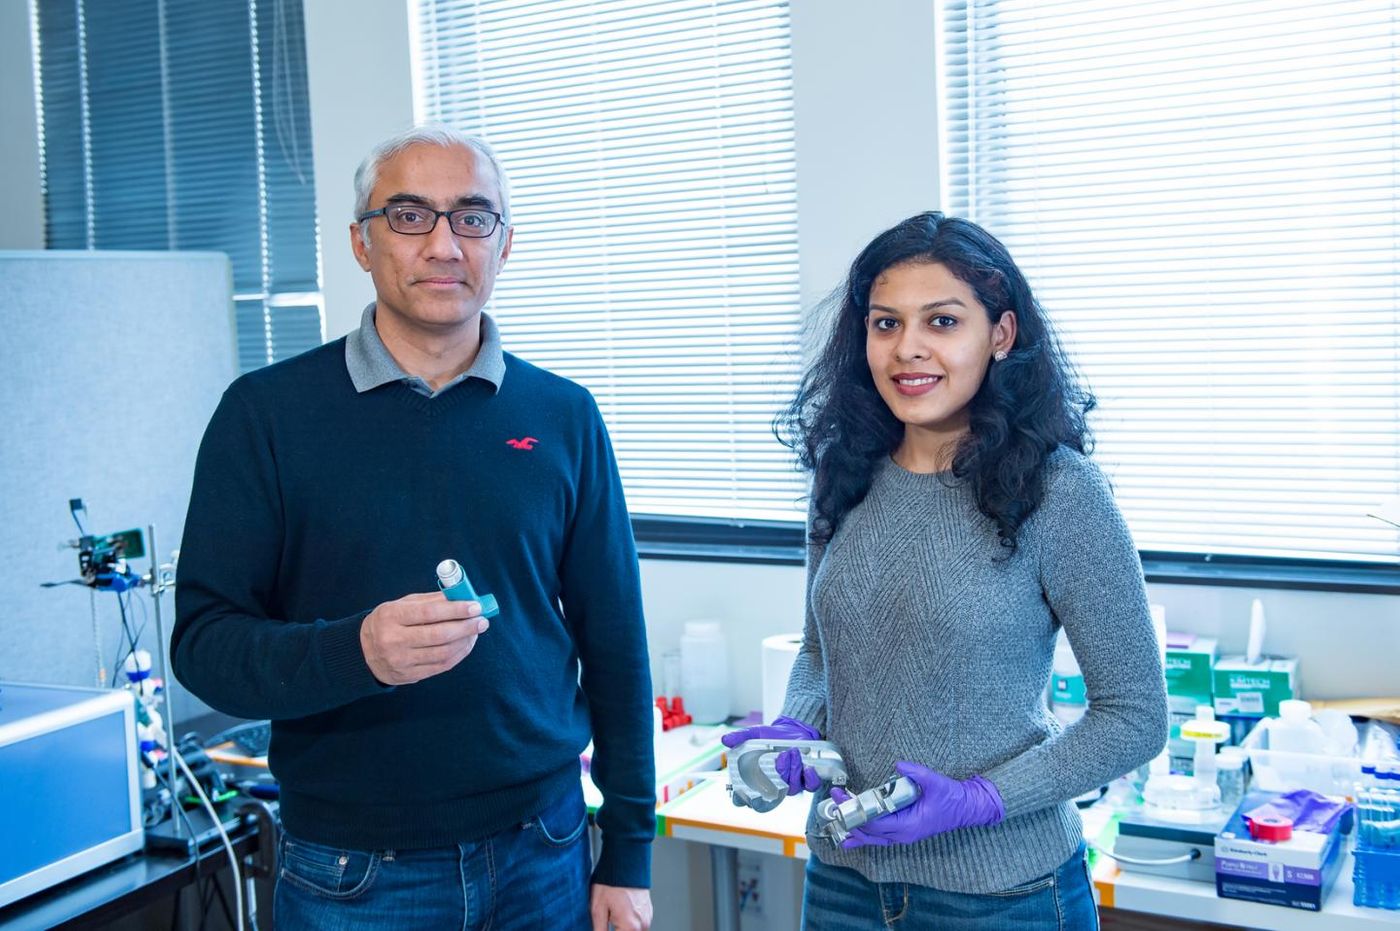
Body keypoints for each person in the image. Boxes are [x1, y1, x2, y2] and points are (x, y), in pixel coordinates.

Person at [172, 125, 654, 931]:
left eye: (472, 217)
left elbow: (614, 641)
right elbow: (204, 645)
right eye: (408, 216)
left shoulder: (564, 416)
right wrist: (355, 651)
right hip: (351, 871)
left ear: (505, 243)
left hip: (546, 848)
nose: (443, 243)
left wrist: (629, 849)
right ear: (362, 243)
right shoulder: (265, 416)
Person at [723, 212, 1167, 929]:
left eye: (942, 321)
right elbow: (818, 651)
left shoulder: (1061, 491)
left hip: (1004, 894)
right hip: (844, 882)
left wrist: (981, 799)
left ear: (1000, 334)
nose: (909, 349)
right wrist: (796, 729)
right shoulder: (846, 471)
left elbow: (1136, 717)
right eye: (887, 323)